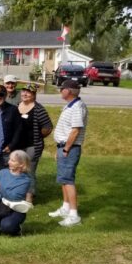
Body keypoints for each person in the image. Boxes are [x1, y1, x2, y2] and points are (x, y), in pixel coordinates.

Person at [48, 79, 88, 227]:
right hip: (64, 147)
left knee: (68, 180)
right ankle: (65, 208)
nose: (60, 91)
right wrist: (60, 148)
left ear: (69, 91)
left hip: (69, 148)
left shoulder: (77, 107)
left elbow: (75, 130)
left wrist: (65, 149)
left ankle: (74, 214)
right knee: (63, 179)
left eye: (62, 89)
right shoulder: (70, 105)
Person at [0, 150, 33, 237]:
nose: (8, 162)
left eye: (12, 160)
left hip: (14, 209)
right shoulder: (3, 172)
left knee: (7, 226)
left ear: (21, 164)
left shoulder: (25, 180)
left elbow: (13, 197)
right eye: (9, 159)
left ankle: (16, 229)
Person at [17, 83, 53, 196]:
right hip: (18, 145)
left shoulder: (38, 109)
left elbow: (48, 127)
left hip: (33, 145)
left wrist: (39, 136)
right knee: (18, 170)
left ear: (34, 94)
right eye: (23, 91)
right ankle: (20, 193)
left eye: (28, 92)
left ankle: (29, 196)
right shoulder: (17, 106)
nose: (25, 94)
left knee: (29, 171)